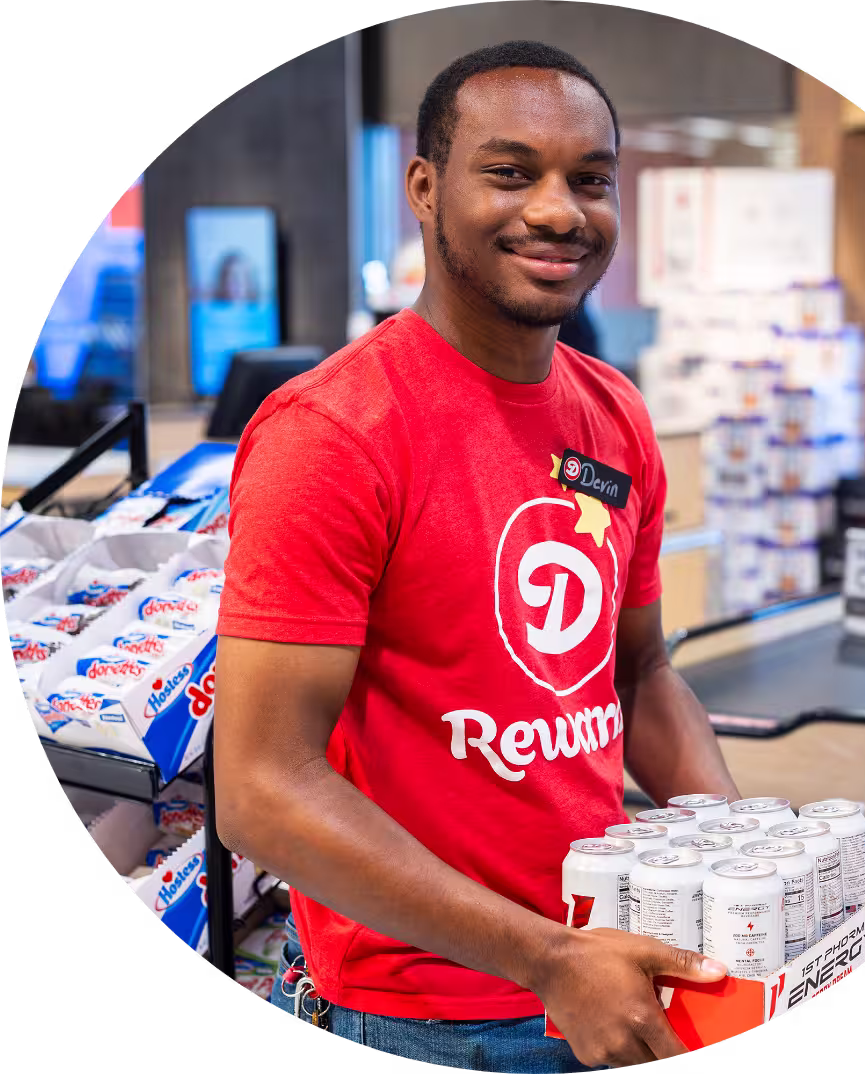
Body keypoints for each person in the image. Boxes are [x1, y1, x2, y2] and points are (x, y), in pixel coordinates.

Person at [214, 40, 741, 1072]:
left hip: (605, 962)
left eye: (591, 180)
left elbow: (637, 671)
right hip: (426, 1013)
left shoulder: (613, 415)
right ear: (424, 187)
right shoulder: (333, 433)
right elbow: (260, 791)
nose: (558, 211)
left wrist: (734, 851)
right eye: (511, 172)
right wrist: (547, 961)